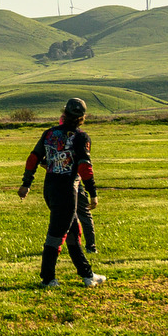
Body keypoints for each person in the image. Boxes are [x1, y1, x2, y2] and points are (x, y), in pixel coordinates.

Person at [19, 98, 105, 288]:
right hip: (67, 190)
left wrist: (26, 183)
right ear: (82, 118)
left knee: (73, 231)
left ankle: (87, 275)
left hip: (50, 188)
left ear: (63, 113)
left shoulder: (49, 134)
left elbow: (33, 158)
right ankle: (48, 278)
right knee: (56, 235)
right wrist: (93, 192)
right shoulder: (81, 138)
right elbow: (84, 166)